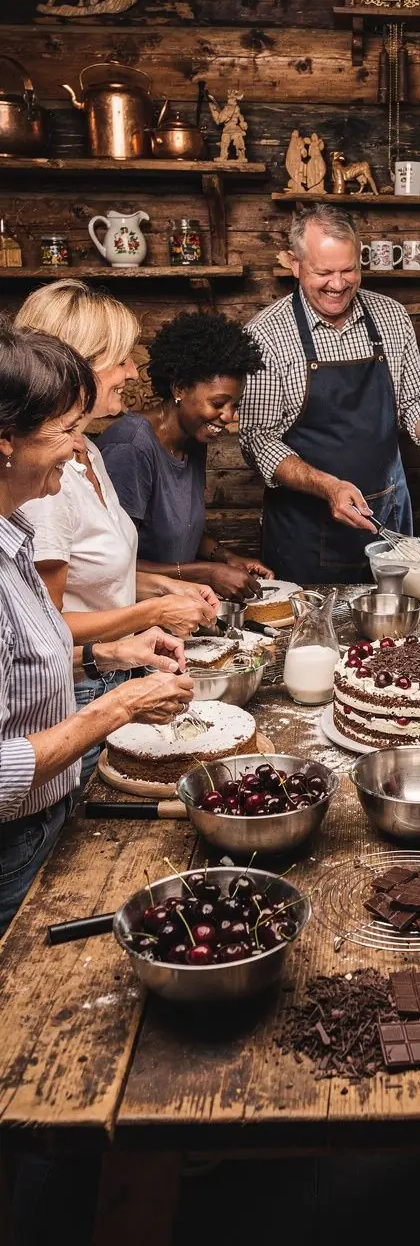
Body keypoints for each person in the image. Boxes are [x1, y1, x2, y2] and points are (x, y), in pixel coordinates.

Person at [0, 323, 193, 931]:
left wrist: (109, 655)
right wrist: (118, 708)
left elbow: (23, 667)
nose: (77, 449)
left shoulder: (15, 534)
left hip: (48, 816)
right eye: (65, 433)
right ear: (4, 442)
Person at [239, 203, 420, 583]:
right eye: (324, 272)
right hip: (304, 533)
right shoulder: (266, 335)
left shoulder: (391, 317)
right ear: (295, 265)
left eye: (349, 270)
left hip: (388, 521)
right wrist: (327, 485)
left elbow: (418, 403)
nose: (338, 284)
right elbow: (258, 440)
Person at [15, 282, 217, 789]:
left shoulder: (88, 451)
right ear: (73, 364)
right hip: (74, 697)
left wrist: (166, 590)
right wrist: (151, 613)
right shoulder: (42, 478)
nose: (133, 371)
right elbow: (46, 626)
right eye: (121, 358)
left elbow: (103, 576)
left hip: (107, 671)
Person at [99, 310, 272, 600]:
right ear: (179, 388)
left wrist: (225, 556)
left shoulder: (193, 438)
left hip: (177, 608)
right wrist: (206, 572)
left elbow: (178, 531)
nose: (229, 416)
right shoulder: (131, 448)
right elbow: (117, 566)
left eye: (235, 404)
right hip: (133, 616)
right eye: (218, 403)